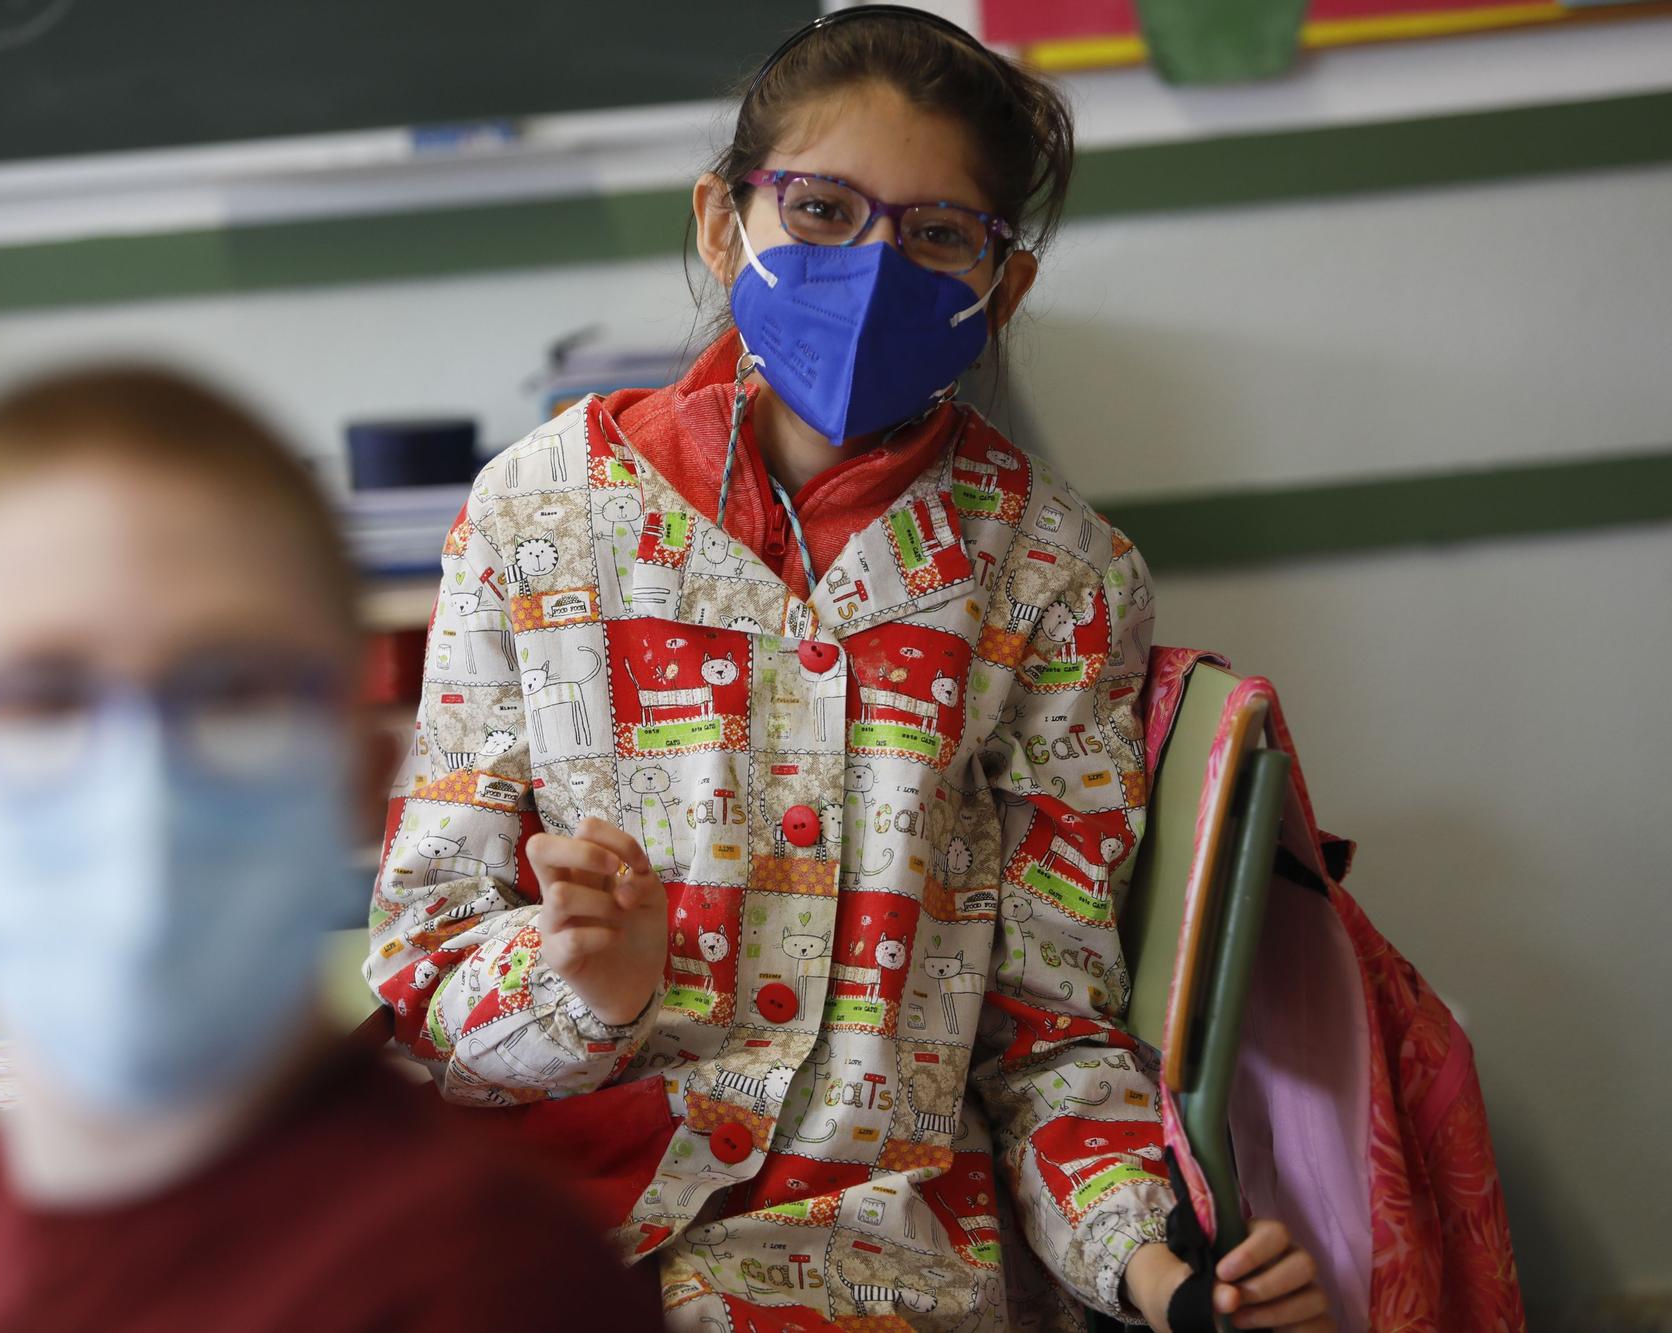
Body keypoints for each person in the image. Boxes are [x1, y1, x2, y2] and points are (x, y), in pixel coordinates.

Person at [366, 8, 1332, 1331]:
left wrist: (1156, 1269)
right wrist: (580, 983)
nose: (873, 270)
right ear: (722, 224)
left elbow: (1047, 1031)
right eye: (821, 209)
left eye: (938, 234)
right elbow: (422, 968)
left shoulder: (1055, 577)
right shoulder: (537, 513)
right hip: (548, 1214)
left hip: (873, 1247)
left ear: (1006, 285)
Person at [0, 369, 661, 1333]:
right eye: (39, 699)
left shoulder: (501, 1284)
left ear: (357, 783)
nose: (137, 791)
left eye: (236, 693)